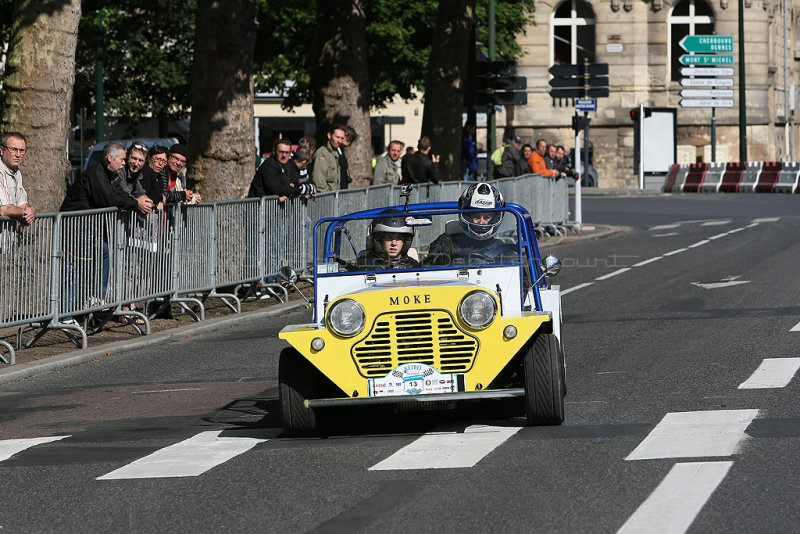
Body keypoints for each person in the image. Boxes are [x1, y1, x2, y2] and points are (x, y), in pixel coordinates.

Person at [60, 142, 154, 324]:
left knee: (101, 252)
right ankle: (68, 314)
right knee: (74, 269)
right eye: (122, 159)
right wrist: (136, 204)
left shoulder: (109, 174)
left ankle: (94, 299)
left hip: (88, 229)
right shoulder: (96, 173)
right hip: (74, 229)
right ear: (110, 158)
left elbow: (120, 193)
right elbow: (108, 199)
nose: (125, 163)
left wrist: (137, 201)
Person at [426, 182, 517, 267]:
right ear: (466, 215)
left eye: (486, 218)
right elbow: (425, 273)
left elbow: (522, 281)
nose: (481, 222)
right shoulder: (445, 245)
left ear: (495, 218)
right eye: (476, 217)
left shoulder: (504, 252)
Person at [248, 137, 315, 201]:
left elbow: (292, 185)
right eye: (281, 152)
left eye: (287, 152)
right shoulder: (269, 166)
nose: (284, 155)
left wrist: (298, 191)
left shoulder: (287, 165)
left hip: (273, 209)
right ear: (274, 151)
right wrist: (297, 190)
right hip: (259, 208)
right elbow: (277, 189)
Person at [356, 213, 420, 270]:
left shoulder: (413, 266)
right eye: (389, 238)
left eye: (399, 239)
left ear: (405, 242)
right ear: (378, 240)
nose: (394, 243)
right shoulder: (366, 264)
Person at [0, 132, 35, 227]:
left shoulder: (17, 172)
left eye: (22, 150)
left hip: (8, 239)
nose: (18, 155)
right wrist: (24, 212)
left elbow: (22, 203)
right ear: (2, 150)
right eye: (14, 149)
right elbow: (4, 210)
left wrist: (30, 211)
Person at [312, 124, 346, 193]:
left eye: (342, 138)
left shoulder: (337, 153)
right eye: (337, 137)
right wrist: (328, 196)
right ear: (329, 136)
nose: (339, 141)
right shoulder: (322, 153)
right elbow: (319, 181)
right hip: (325, 199)